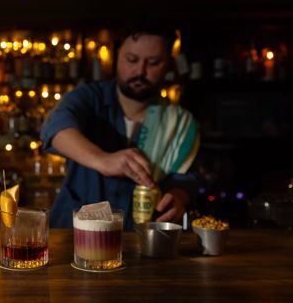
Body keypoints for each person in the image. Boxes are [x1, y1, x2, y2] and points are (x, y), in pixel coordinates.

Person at [40, 17, 200, 229]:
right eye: (132, 60)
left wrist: (178, 198)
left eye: (153, 63)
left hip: (142, 240)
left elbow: (184, 178)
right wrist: (103, 160)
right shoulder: (89, 97)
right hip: (75, 236)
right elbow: (54, 128)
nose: (140, 71)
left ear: (168, 65)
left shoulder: (179, 122)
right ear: (118, 57)